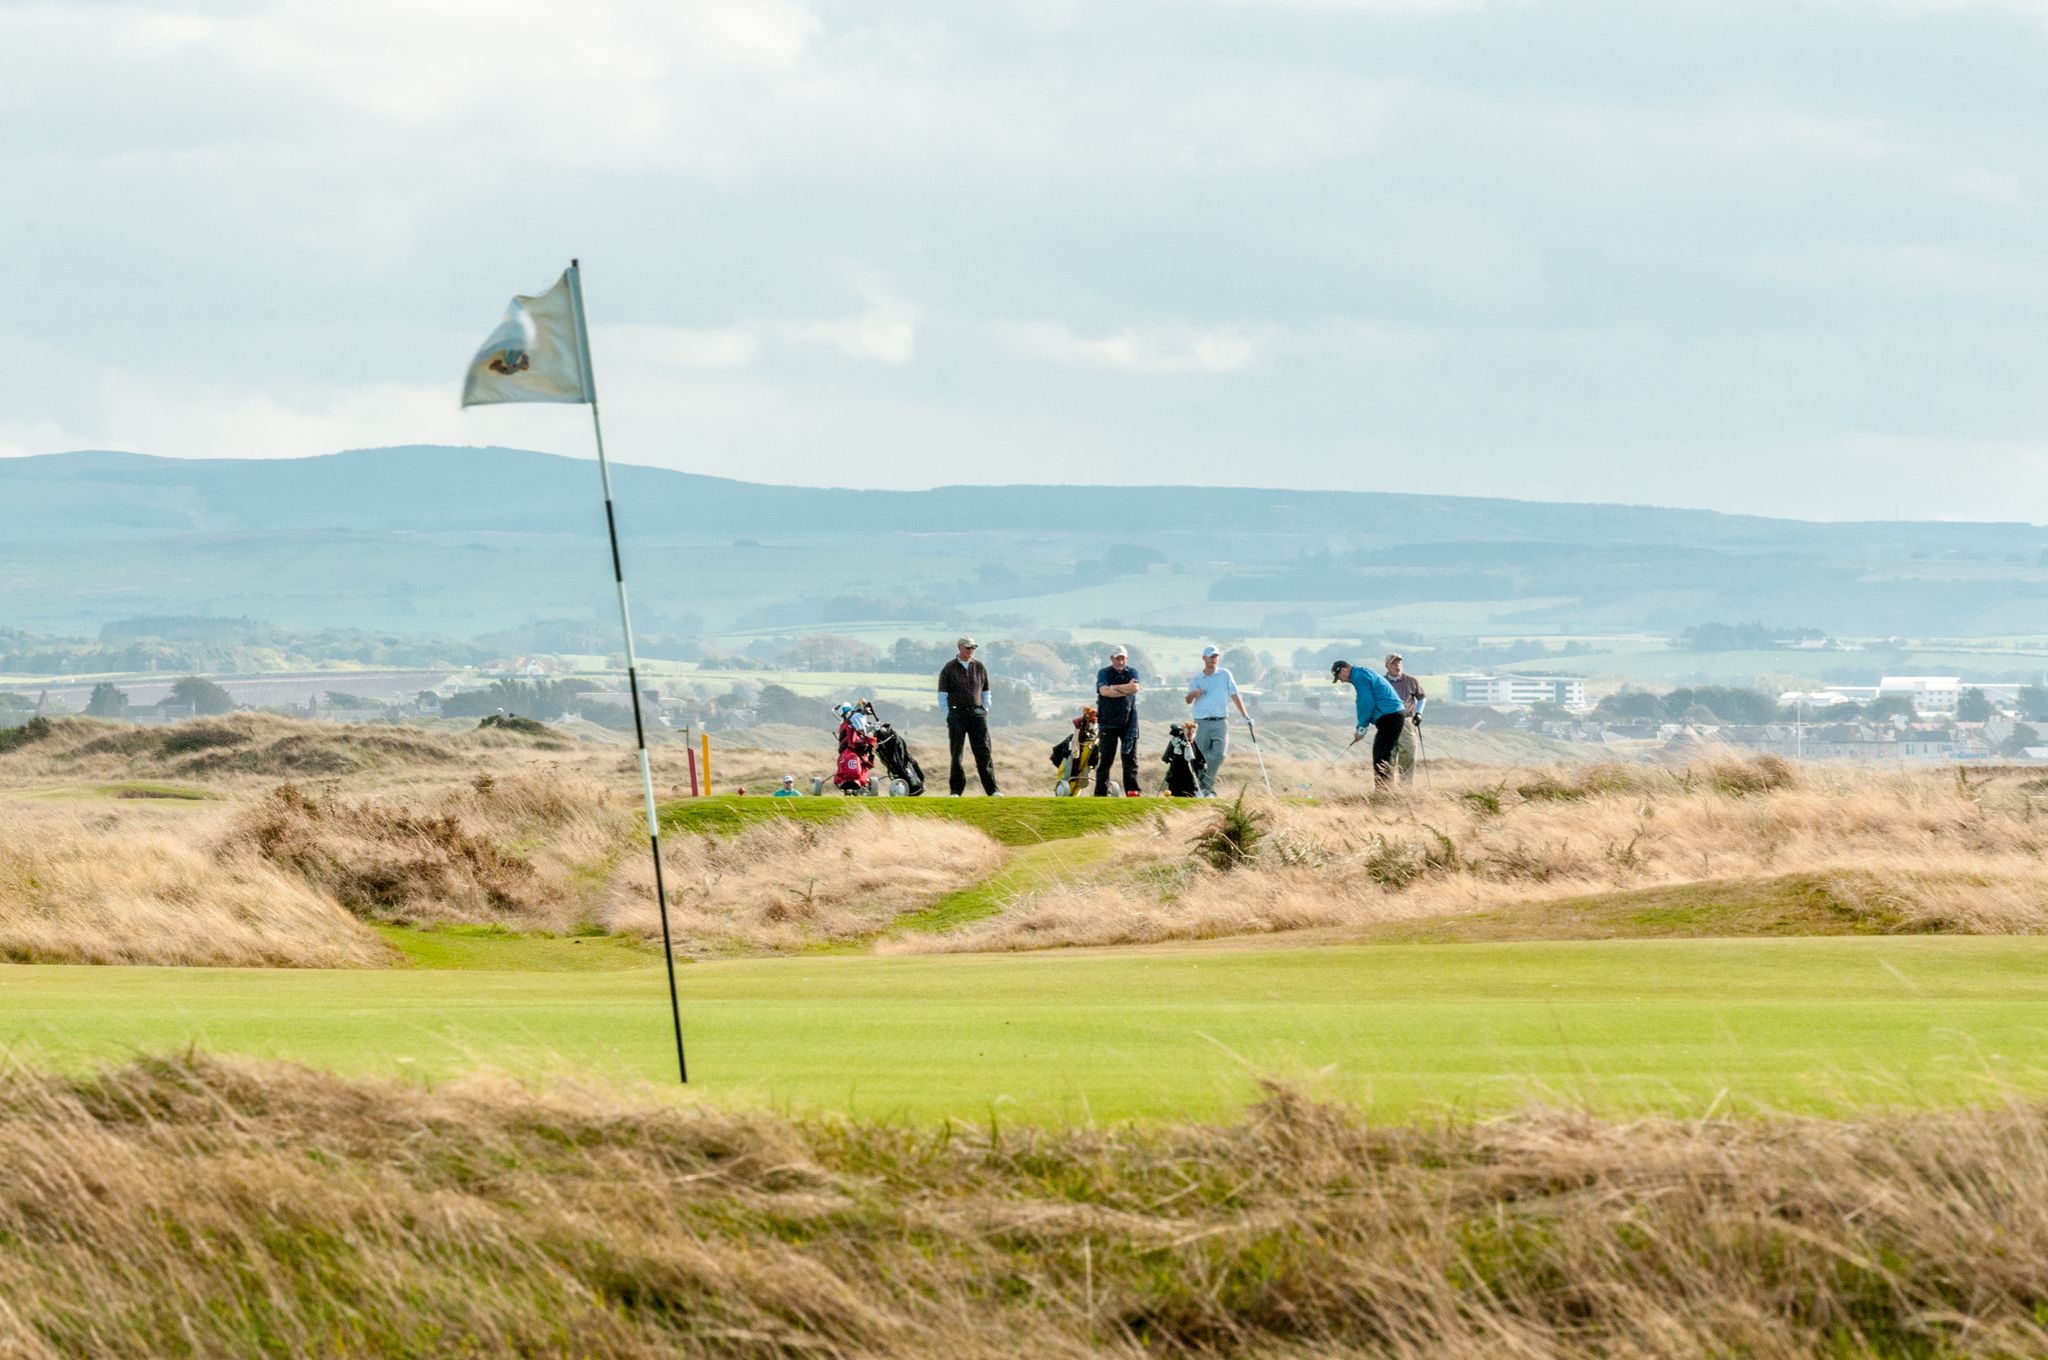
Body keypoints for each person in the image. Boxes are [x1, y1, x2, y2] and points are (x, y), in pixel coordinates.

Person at [1183, 644, 1251, 797]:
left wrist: (1245, 715)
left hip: (1220, 721)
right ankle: (1201, 790)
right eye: (1211, 656)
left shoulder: (1225, 674)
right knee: (1200, 756)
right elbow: (1188, 700)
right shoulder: (1197, 679)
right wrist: (1193, 694)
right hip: (1201, 721)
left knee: (1219, 755)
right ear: (1204, 658)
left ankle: (1205, 787)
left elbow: (1234, 695)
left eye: (1216, 656)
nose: (1213, 659)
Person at [937, 636, 1001, 797]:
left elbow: (986, 691)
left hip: (977, 714)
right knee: (956, 753)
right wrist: (948, 714)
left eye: (973, 648)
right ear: (959, 648)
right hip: (956, 714)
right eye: (968, 647)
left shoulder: (979, 667)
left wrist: (984, 709)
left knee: (984, 752)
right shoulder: (949, 668)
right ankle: (956, 790)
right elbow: (942, 694)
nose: (971, 650)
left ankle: (992, 790)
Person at [1331, 659, 1406, 789]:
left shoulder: (1360, 677)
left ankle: (1383, 791)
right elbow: (1364, 702)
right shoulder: (1360, 674)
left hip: (1390, 716)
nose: (1341, 681)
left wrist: (1362, 727)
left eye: (1339, 677)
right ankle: (1385, 789)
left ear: (1343, 670)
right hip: (1391, 715)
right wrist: (1362, 726)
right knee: (1382, 753)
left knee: (1381, 754)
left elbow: (1366, 703)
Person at [1092, 645, 1142, 796]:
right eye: (1117, 658)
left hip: (1129, 723)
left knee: (1130, 760)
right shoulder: (1104, 672)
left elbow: (1135, 688)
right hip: (1108, 722)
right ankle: (1100, 793)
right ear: (1112, 658)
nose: (1120, 661)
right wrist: (1124, 688)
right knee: (1106, 760)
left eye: (1123, 658)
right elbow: (1104, 691)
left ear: (1126, 658)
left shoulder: (1132, 672)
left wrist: (1114, 688)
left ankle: (1132, 791)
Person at [1384, 653, 1427, 784]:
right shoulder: (1381, 682)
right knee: (1388, 755)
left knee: (1408, 754)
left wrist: (1419, 713)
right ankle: (1387, 789)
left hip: (1406, 721)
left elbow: (1421, 697)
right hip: (1388, 721)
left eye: (1398, 662)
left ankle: (1406, 789)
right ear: (1387, 666)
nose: (1397, 665)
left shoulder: (1411, 680)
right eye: (1393, 663)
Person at [1160, 721, 1206, 797]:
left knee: (1188, 782)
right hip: (1177, 765)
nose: (1189, 734)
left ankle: (1189, 794)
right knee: (1175, 781)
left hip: (1187, 769)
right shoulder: (1176, 741)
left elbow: (1197, 757)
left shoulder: (1190, 742)